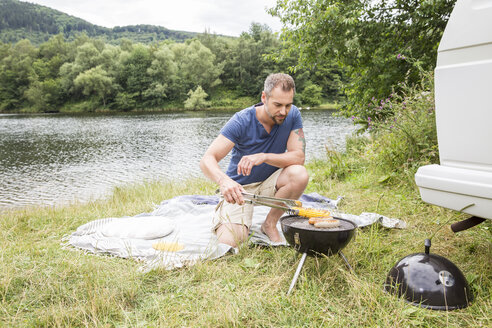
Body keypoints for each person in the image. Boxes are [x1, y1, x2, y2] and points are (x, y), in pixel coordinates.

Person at [200, 73, 308, 247]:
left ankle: (270, 223)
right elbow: (207, 159)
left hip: (271, 184)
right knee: (231, 242)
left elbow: (298, 157)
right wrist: (224, 181)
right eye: (278, 105)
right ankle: (227, 217)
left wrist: (264, 157)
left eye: (288, 105)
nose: (283, 111)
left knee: (299, 174)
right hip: (240, 190)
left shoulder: (293, 114)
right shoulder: (241, 120)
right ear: (264, 97)